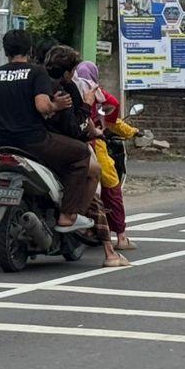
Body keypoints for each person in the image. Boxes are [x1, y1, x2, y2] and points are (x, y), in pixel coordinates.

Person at [0, 30, 109, 258]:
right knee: (80, 155)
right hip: (32, 142)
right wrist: (56, 106)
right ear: (30, 50)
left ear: (6, 51)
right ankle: (68, 214)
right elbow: (43, 107)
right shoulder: (36, 73)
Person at [42, 47, 127, 267]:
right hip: (55, 146)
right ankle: (74, 216)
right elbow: (75, 127)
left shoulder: (36, 80)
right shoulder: (70, 89)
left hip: (16, 141)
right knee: (95, 173)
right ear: (69, 71)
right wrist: (88, 105)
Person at [73, 59, 148, 253]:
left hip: (66, 143)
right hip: (93, 145)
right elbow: (112, 119)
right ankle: (121, 237)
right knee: (112, 186)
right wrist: (132, 132)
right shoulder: (95, 93)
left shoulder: (68, 89)